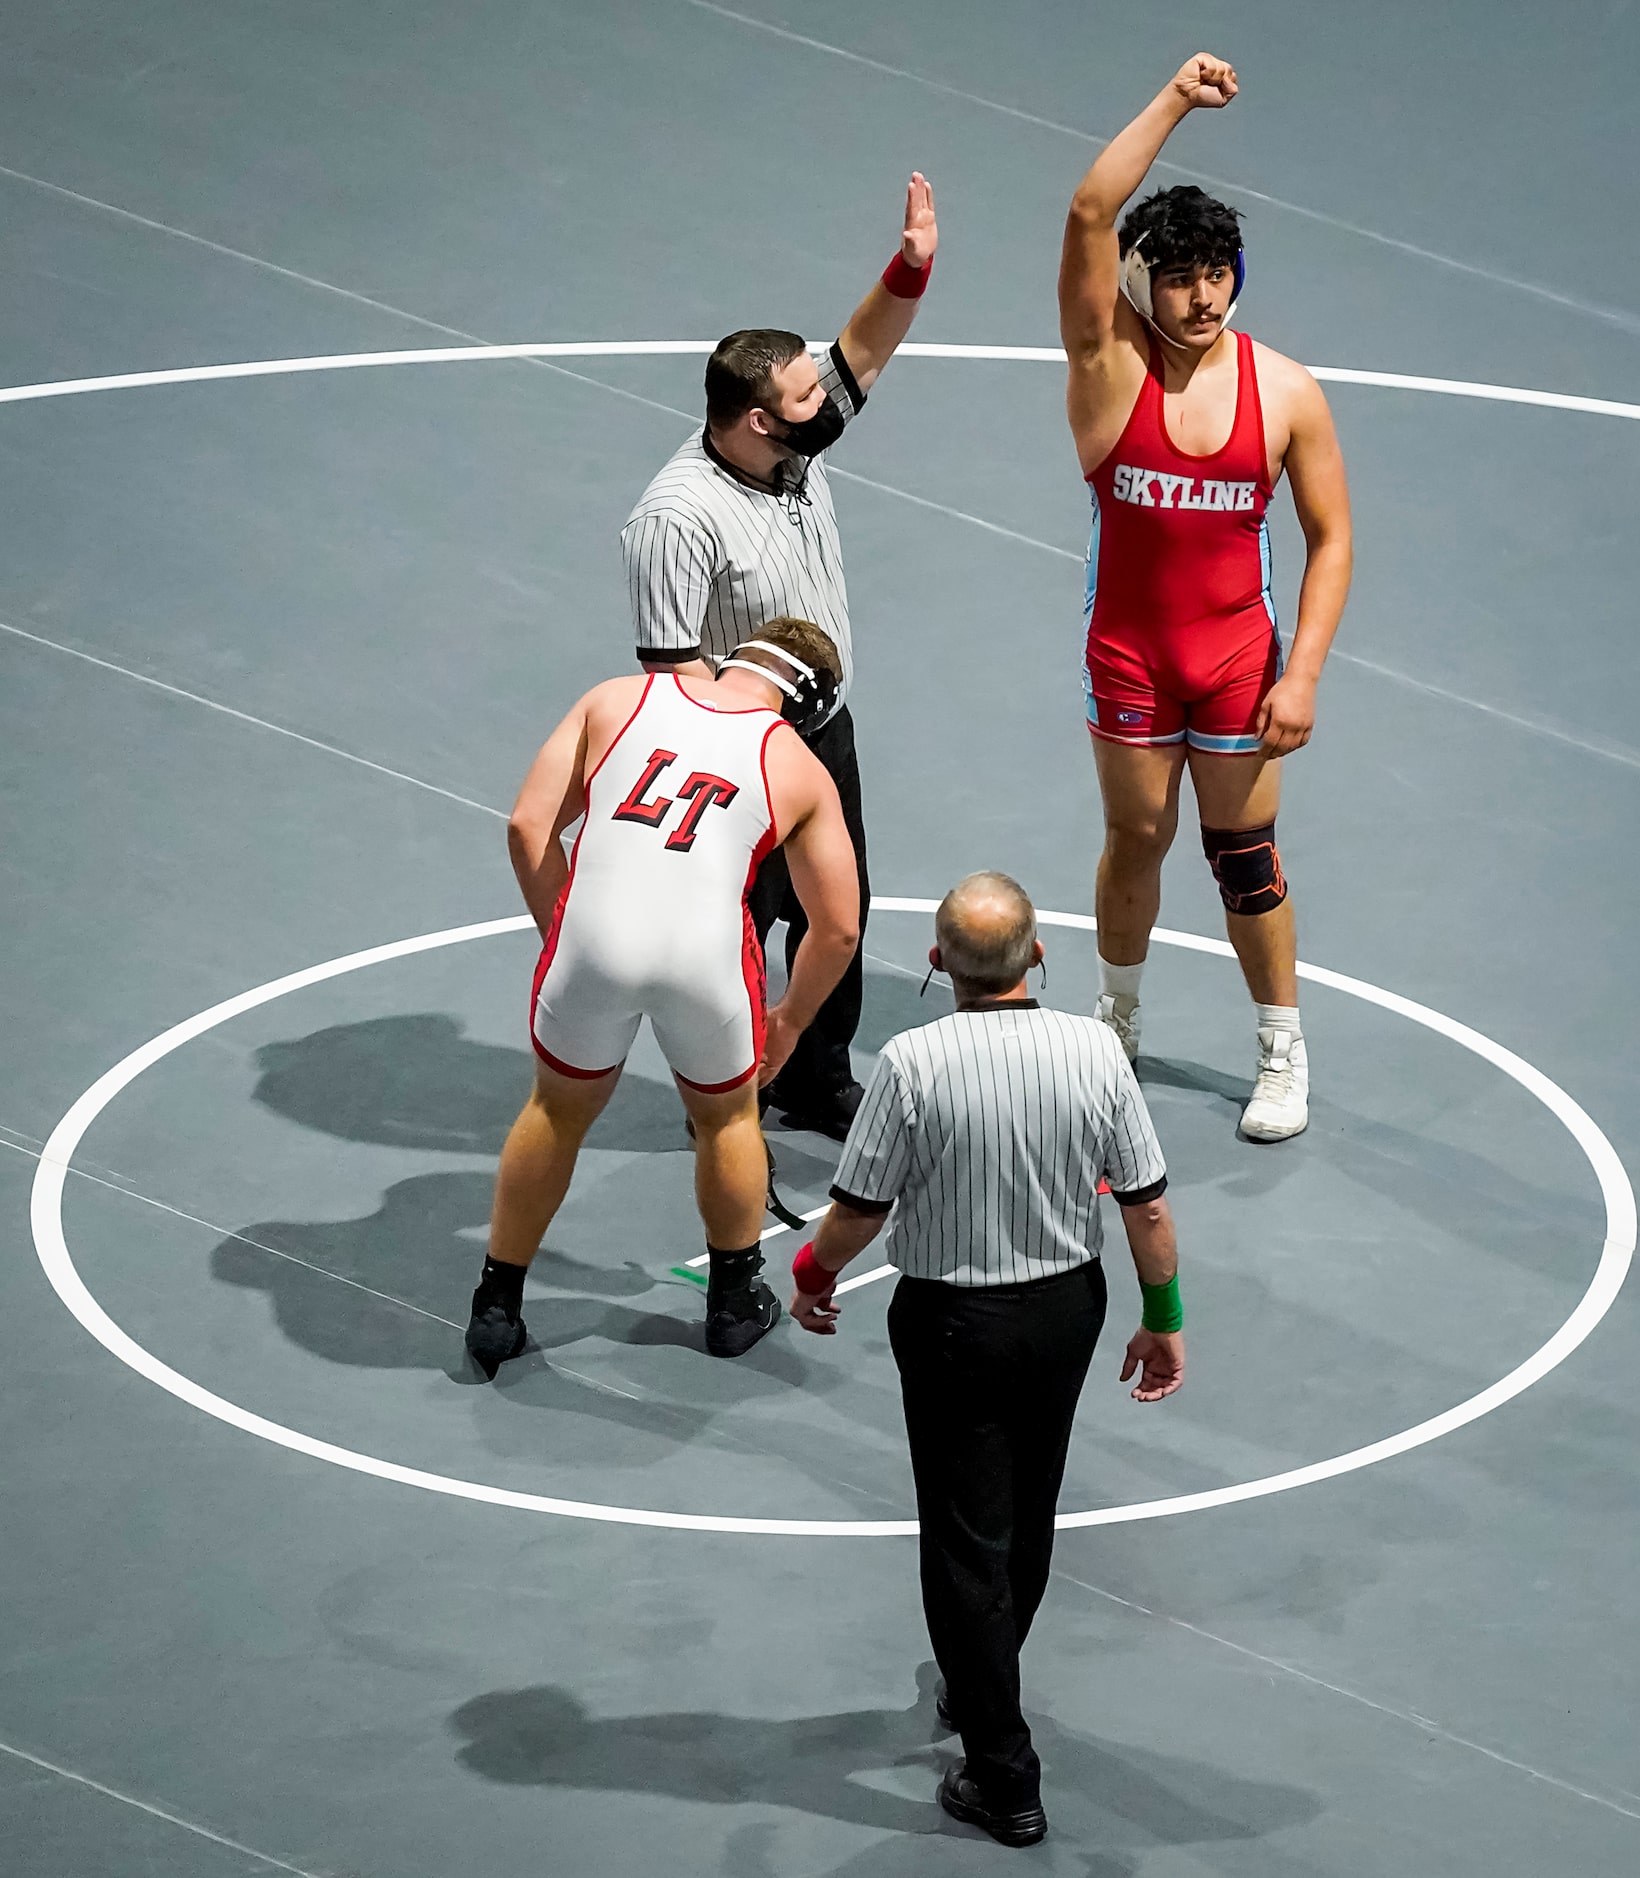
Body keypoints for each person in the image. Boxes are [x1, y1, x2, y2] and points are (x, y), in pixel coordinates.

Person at [787, 873, 1185, 1848]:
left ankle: (1001, 1767)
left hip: (952, 1322)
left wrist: (808, 1270)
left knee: (966, 1538)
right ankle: (982, 1677)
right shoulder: (1093, 1049)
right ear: (1037, 961)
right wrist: (1162, 1315)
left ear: (934, 966)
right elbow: (1144, 1201)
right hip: (1062, 1314)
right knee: (1028, 1505)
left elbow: (859, 1210)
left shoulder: (911, 1062)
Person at [1059, 53, 1353, 1140]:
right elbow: (1092, 206)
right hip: (1128, 654)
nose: (1200, 296)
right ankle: (1114, 1025)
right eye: (1177, 276)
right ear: (1140, 280)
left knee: (1242, 857)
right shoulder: (1105, 369)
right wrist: (1176, 100)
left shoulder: (1284, 392)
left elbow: (1329, 540)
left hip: (1238, 661)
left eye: (1216, 273)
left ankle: (1280, 1052)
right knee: (1135, 836)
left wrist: (1304, 671)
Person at [621, 173, 940, 1141]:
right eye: (807, 394)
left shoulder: (791, 447)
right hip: (737, 753)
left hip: (820, 729)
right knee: (734, 924)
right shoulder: (674, 520)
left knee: (835, 906)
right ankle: (727, 1079)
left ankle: (812, 1073)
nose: (829, 398)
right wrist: (729, 763)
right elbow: (672, 677)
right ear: (759, 418)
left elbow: (865, 351)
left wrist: (910, 267)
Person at [464, 617, 859, 1372]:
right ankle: (734, 1304)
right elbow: (837, 927)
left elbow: (527, 826)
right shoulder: (797, 764)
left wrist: (565, 933)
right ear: (808, 707)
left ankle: (497, 1304)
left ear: (727, 662)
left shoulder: (618, 699)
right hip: (702, 956)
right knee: (726, 1118)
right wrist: (790, 1021)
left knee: (555, 1109)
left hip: (593, 941)